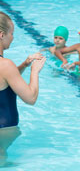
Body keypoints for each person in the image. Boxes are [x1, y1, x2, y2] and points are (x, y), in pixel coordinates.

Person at [0, 11, 46, 164]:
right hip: (4, 131)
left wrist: (25, 64)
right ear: (1, 34)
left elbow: (6, 82)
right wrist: (34, 71)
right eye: (11, 33)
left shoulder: (6, 68)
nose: (13, 37)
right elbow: (31, 98)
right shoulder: (6, 66)